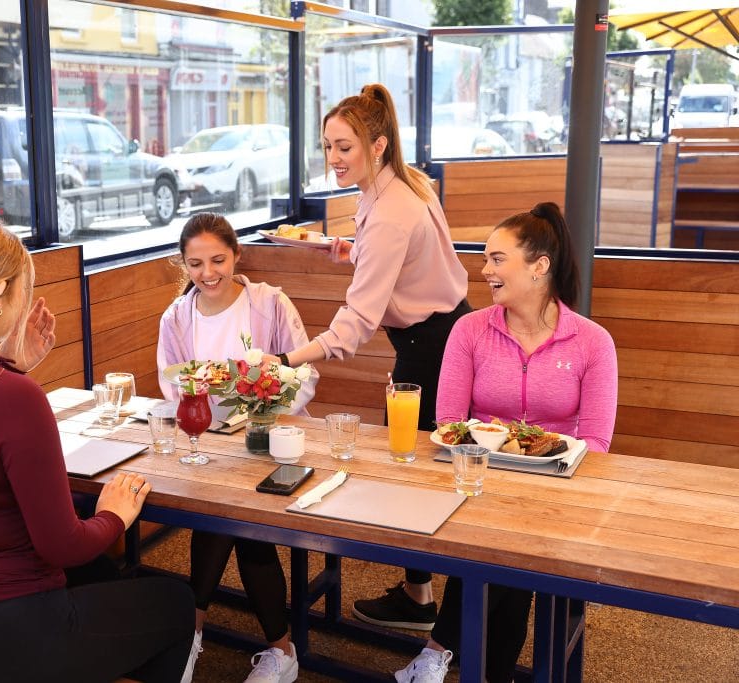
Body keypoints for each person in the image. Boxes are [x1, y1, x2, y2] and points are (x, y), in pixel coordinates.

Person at [0, 216, 194, 683]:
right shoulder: (11, 396)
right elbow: (62, 545)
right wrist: (115, 514)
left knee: (107, 578)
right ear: (0, 293)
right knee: (174, 602)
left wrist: (10, 364)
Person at [261, 83, 471, 630]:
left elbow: (353, 326)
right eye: (328, 146)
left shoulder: (390, 211)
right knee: (416, 470)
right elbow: (398, 262)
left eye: (345, 147)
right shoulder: (402, 185)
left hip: (435, 348)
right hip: (440, 335)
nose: (333, 158)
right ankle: (419, 596)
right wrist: (349, 253)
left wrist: (288, 357)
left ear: (377, 145)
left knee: (422, 473)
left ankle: (444, 618)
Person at [394, 202, 618, 683]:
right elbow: (449, 421)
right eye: (486, 259)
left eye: (497, 259)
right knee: (502, 548)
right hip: (477, 480)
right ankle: (476, 668)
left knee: (508, 549)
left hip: (557, 491)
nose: (485, 270)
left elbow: (596, 442)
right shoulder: (469, 329)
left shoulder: (592, 342)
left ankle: (438, 649)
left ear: (540, 267)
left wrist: (538, 468)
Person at [156, 212, 319, 683]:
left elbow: (303, 372)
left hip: (272, 441)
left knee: (226, 517)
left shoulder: (270, 303)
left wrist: (264, 396)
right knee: (227, 516)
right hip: (206, 442)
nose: (208, 273)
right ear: (183, 265)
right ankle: (280, 650)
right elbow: (174, 385)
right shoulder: (177, 316)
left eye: (218, 260)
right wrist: (201, 399)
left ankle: (193, 633)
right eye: (195, 264)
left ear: (237, 255)